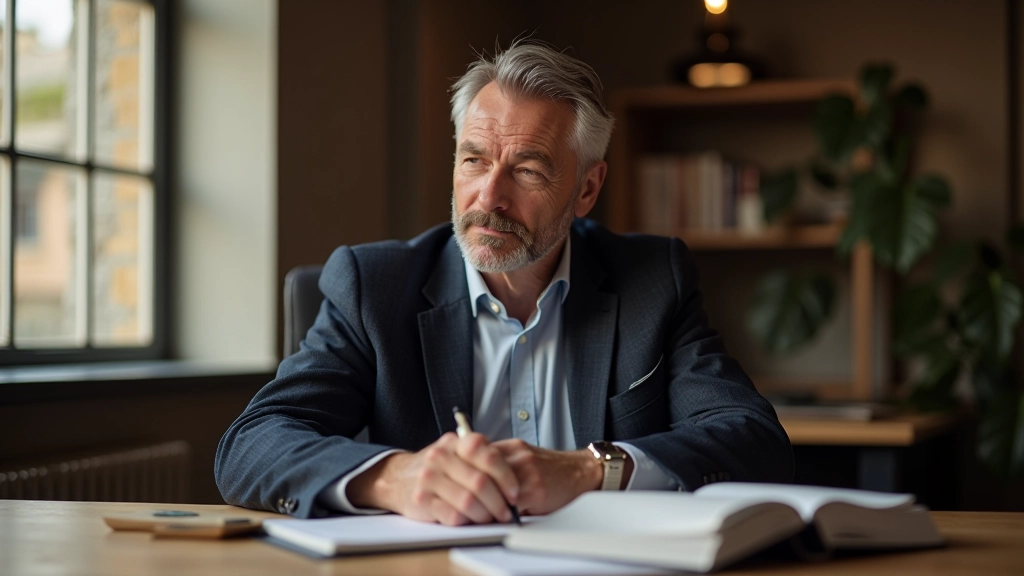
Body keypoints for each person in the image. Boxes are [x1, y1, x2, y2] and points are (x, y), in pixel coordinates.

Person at [215, 41, 793, 524]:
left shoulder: (652, 280)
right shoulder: (373, 286)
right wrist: (396, 477)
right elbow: (253, 443)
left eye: (527, 170)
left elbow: (752, 438)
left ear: (587, 189)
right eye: (473, 161)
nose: (489, 197)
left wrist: (588, 469)